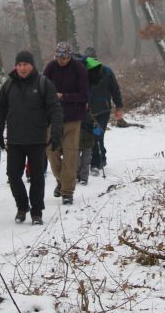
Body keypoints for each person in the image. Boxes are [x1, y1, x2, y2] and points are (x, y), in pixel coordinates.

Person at [0, 51, 63, 225]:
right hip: (15, 140)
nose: (23, 68)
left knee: (37, 177)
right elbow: (0, 110)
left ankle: (37, 211)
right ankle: (22, 206)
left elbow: (55, 109)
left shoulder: (43, 83)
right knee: (13, 176)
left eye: (26, 64)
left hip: (37, 139)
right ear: (15, 66)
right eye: (20, 65)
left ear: (32, 66)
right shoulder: (8, 85)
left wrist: (56, 132)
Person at [42, 42, 89, 205]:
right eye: (58, 57)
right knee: (51, 151)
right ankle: (61, 181)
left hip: (73, 117)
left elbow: (84, 95)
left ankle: (67, 191)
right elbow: (42, 88)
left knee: (70, 154)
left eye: (64, 58)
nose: (61, 60)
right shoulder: (50, 68)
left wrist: (64, 97)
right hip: (52, 118)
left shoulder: (79, 69)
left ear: (69, 56)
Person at [81, 47, 123, 178]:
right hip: (86, 111)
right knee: (91, 137)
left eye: (92, 59)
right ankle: (100, 158)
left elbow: (115, 89)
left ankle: (95, 163)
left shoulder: (106, 71)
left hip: (103, 110)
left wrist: (119, 107)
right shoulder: (81, 72)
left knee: (97, 135)